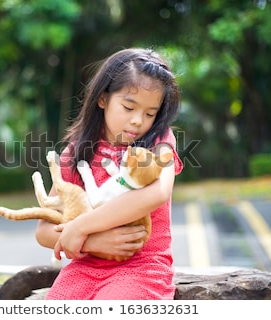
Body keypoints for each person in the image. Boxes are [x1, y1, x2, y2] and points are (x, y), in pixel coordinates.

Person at [35, 47, 183, 300]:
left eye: (150, 113)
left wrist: (81, 227)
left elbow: (157, 193)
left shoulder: (160, 141)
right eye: (128, 107)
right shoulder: (77, 152)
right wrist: (91, 242)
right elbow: (44, 230)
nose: (138, 120)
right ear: (103, 99)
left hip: (142, 268)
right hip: (83, 268)